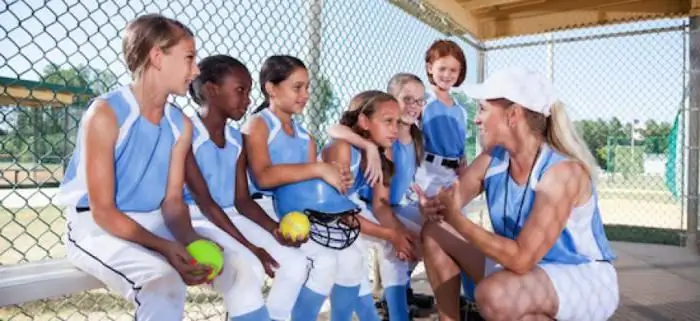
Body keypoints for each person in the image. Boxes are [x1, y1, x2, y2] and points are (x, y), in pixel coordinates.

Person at [57, 14, 250, 321]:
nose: (196, 69)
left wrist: (188, 240)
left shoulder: (180, 124)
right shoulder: (106, 113)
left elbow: (173, 202)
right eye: (188, 58)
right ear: (157, 57)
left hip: (155, 221)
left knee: (237, 264)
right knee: (162, 282)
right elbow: (103, 212)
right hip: (97, 228)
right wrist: (164, 247)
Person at [417, 67, 619, 321]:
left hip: (581, 279)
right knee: (434, 232)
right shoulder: (493, 158)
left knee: (496, 295)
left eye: (482, 109)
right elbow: (451, 203)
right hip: (524, 272)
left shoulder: (562, 172)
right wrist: (434, 207)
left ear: (513, 115)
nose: (476, 119)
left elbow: (522, 259)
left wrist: (455, 218)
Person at [183, 54, 310, 321]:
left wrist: (275, 231)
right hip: (195, 217)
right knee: (247, 267)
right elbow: (205, 203)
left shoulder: (237, 140)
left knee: (296, 263)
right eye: (240, 90)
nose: (249, 99)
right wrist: (252, 248)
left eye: (249, 91)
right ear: (211, 90)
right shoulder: (186, 133)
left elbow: (243, 201)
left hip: (231, 215)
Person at [241, 55, 360, 321]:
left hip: (296, 211)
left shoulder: (305, 136)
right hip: (260, 208)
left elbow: (307, 187)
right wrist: (319, 169)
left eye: (307, 87)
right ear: (271, 88)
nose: (305, 94)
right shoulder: (259, 124)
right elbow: (262, 177)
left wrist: (335, 183)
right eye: (297, 87)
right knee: (306, 263)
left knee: (334, 261)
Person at [326, 75, 432, 320]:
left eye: (395, 122)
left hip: (359, 212)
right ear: (364, 121)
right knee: (349, 271)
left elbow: (381, 204)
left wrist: (399, 235)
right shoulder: (345, 148)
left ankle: (397, 314)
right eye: (388, 121)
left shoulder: (392, 146)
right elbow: (336, 212)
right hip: (330, 222)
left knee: (405, 243)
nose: (393, 128)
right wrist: (392, 234)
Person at [414, 39, 470, 198]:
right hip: (428, 171)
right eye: (442, 68)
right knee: (432, 217)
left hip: (454, 174)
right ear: (430, 68)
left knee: (455, 217)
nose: (447, 75)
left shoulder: (460, 109)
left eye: (453, 70)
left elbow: (460, 143)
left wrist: (464, 164)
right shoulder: (423, 100)